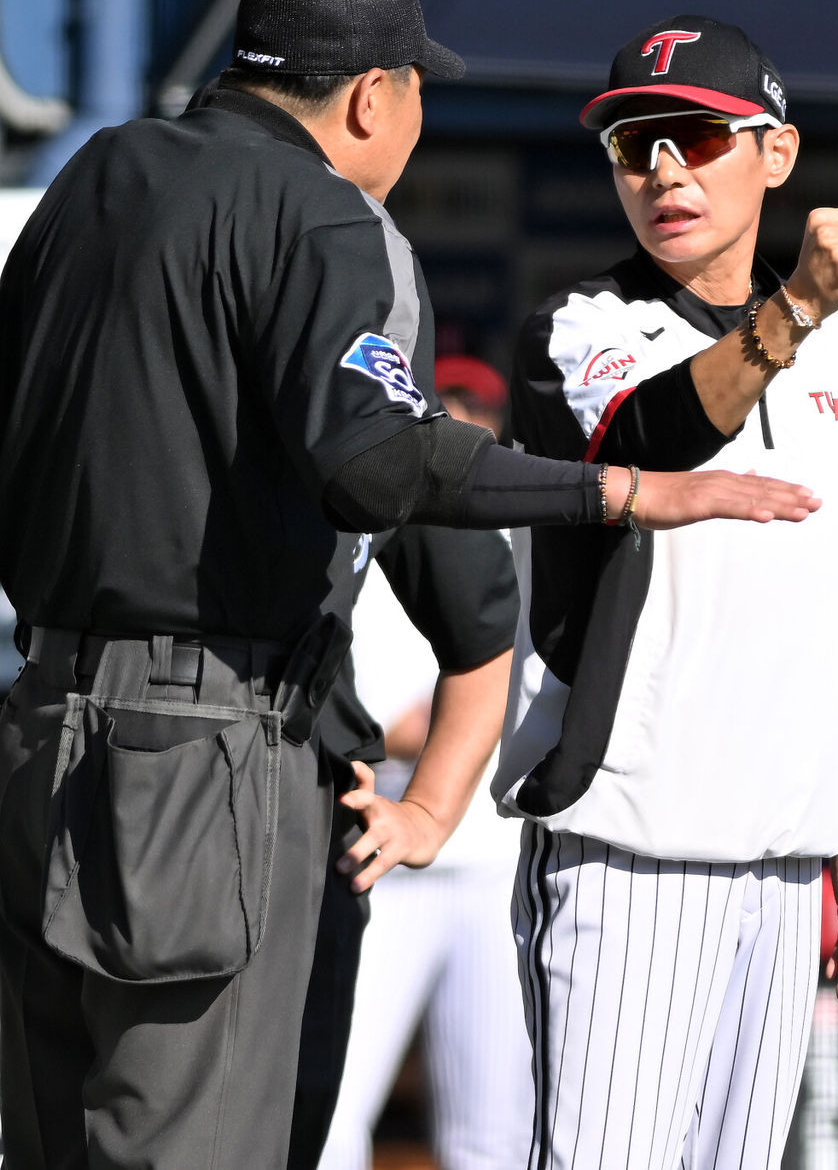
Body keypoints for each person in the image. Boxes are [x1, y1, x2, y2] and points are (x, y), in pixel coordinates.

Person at [0, 0, 819, 1168]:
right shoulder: (327, 214)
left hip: (37, 731)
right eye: (418, 88)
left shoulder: (95, 178)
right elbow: (379, 464)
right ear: (374, 95)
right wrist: (625, 487)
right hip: (202, 755)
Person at [491, 15, 838, 1170]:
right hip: (631, 847)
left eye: (694, 137)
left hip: (782, 857)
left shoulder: (828, 351)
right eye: (633, 147)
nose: (662, 170)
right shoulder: (576, 327)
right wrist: (798, 309)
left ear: (777, 154)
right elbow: (650, 439)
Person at [318, 357, 531, 1170]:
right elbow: (368, 713)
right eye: (449, 414)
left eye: (479, 415)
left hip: (493, 858)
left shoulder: (524, 534)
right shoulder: (367, 529)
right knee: (332, 1105)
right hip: (382, 850)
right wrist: (427, 729)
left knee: (494, 1133)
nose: (464, 428)